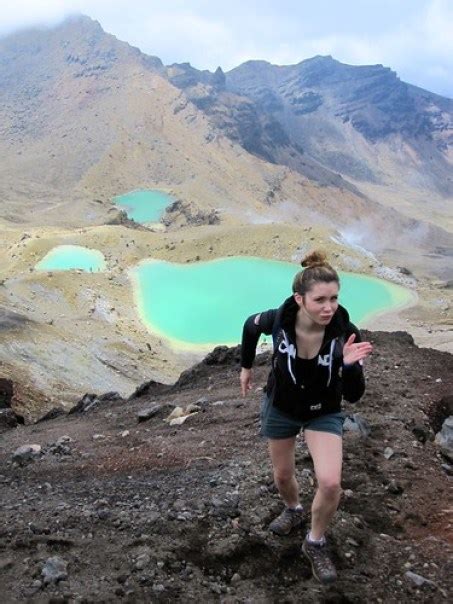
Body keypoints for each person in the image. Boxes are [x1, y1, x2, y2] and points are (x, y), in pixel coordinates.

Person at [240, 250, 372, 584]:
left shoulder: (346, 331)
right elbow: (249, 325)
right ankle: (294, 509)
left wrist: (350, 367)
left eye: (334, 298)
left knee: (330, 483)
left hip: (323, 411)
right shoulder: (279, 319)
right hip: (281, 406)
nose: (329, 308)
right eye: (320, 300)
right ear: (300, 299)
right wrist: (245, 366)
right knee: (283, 476)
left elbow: (354, 395)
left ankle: (315, 541)